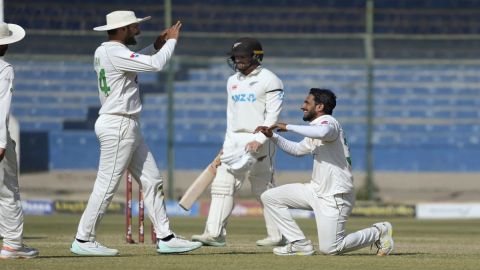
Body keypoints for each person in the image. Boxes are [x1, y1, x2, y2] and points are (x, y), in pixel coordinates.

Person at [70, 10, 202, 256]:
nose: (137, 30)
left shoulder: (105, 50)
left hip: (126, 125)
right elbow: (156, 65)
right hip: (119, 124)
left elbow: (135, 60)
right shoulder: (115, 52)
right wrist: (171, 41)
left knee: (152, 180)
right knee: (107, 185)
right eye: (133, 27)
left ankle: (166, 237)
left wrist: (155, 45)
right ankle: (84, 239)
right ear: (122, 30)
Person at [254, 88, 394, 256]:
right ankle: (299, 244)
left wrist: (288, 126)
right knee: (270, 197)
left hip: (335, 195)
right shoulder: (314, 128)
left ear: (319, 107)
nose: (302, 106)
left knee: (330, 248)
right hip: (315, 190)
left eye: (307, 102)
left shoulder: (329, 123)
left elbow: (323, 132)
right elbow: (298, 150)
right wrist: (273, 137)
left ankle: (380, 231)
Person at [192, 37, 285, 247]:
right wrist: (226, 145)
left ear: (256, 56)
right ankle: (215, 234)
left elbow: (272, 116)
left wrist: (259, 139)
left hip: (259, 139)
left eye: (243, 56)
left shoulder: (270, 80)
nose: (238, 60)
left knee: (263, 189)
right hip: (234, 140)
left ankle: (279, 235)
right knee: (223, 184)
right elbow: (231, 117)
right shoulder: (232, 81)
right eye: (236, 57)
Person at [0, 22, 39, 259]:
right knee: (7, 192)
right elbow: (1, 108)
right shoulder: (4, 69)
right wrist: (2, 143)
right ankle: (13, 244)